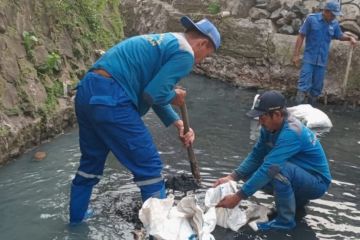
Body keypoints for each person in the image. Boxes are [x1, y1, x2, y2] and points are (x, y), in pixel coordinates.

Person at [69, 16, 221, 224]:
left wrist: (177, 122)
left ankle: (77, 219)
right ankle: (158, 231)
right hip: (113, 97)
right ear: (202, 43)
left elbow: (150, 90)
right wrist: (174, 97)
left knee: (90, 165)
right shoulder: (185, 53)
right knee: (149, 167)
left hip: (87, 92)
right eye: (205, 55)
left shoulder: (167, 41)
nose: (200, 61)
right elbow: (153, 94)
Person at [213, 90, 332, 231]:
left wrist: (238, 197)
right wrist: (232, 177)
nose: (260, 122)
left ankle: (284, 222)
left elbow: (270, 167)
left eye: (262, 117)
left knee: (277, 170)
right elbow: (256, 155)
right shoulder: (268, 128)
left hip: (316, 183)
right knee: (247, 174)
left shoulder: (292, 132)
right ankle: (296, 204)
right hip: (298, 176)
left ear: (277, 115)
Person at [292, 0, 357, 105]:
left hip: (322, 62)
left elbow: (339, 35)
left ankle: (311, 111)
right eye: (333, 15)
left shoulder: (334, 23)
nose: (334, 17)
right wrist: (296, 55)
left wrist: (350, 38)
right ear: (326, 11)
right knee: (303, 86)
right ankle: (297, 111)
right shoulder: (311, 19)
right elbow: (301, 35)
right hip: (309, 59)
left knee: (317, 89)